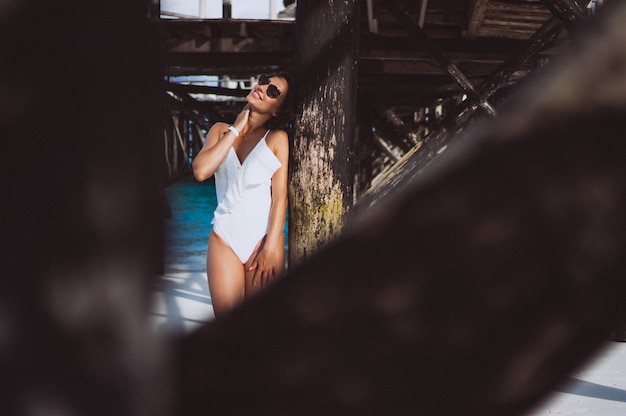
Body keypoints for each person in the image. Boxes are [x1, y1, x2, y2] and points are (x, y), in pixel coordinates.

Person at [192, 72, 294, 317]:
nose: (263, 87)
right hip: (224, 239)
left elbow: (280, 197)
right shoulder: (220, 131)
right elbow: (201, 171)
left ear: (277, 109)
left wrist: (270, 247)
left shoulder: (278, 139)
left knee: (258, 331)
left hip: (263, 243)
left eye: (273, 91)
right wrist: (236, 129)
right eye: (264, 80)